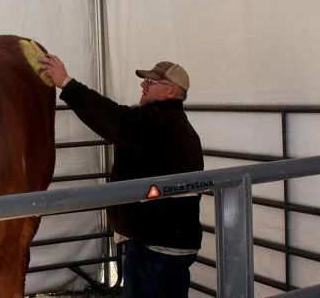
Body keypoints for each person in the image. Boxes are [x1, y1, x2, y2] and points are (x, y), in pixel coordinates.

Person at [40, 56, 204, 298]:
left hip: (154, 246)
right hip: (176, 243)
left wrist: (67, 83)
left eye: (151, 82)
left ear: (172, 91)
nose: (143, 84)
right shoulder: (181, 127)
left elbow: (112, 118)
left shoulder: (156, 123)